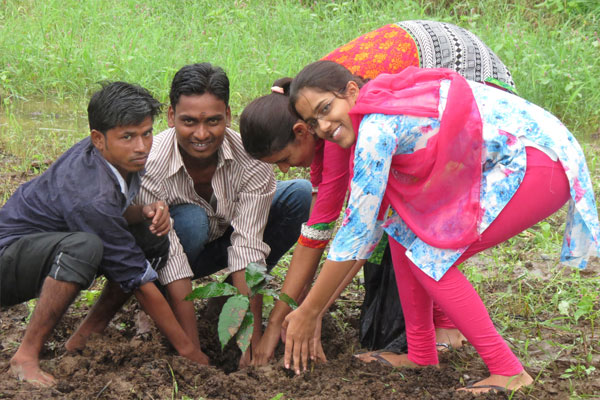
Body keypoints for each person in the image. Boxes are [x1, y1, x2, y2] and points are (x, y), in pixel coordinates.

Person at [281, 60, 600, 393]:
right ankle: (421, 352)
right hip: (519, 155)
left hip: (539, 161)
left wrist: (309, 311)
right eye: (313, 122)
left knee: (430, 260)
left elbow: (357, 232)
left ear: (351, 91)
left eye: (325, 109)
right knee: (401, 233)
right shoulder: (377, 104)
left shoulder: (376, 128)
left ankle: (508, 371)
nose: (323, 125)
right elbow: (370, 225)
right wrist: (312, 309)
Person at [240, 20, 516, 366]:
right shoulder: (318, 111)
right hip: (426, 88)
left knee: (424, 216)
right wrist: (305, 311)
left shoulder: (336, 124)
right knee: (396, 220)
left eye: (283, 159)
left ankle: (447, 326)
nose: (284, 171)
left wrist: (300, 316)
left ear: (301, 131)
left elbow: (344, 229)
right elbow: (325, 226)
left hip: (473, 79)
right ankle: (427, 339)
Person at [0, 82, 209, 388]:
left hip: (47, 246)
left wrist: (143, 210)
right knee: (84, 247)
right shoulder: (90, 192)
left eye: (147, 133)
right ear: (98, 138)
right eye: (128, 137)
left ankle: (86, 335)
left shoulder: (114, 158)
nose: (141, 146)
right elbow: (136, 277)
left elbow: (109, 218)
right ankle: (26, 356)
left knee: (148, 235)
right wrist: (189, 351)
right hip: (7, 261)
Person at [134, 63, 312, 364]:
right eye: (189, 121)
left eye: (213, 121)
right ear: (171, 116)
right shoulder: (151, 163)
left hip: (222, 239)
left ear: (228, 116)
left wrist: (251, 342)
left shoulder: (251, 157)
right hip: (173, 254)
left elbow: (248, 247)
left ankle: (229, 296)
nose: (201, 134)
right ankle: (162, 303)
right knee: (192, 221)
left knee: (298, 194)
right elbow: (171, 256)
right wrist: (192, 349)